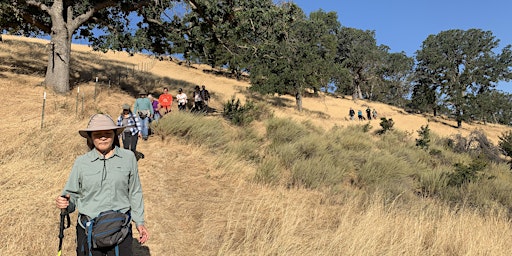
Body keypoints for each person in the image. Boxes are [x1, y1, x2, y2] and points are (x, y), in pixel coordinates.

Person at [55, 114, 149, 256]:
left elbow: (135, 191)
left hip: (120, 230)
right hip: (88, 230)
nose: (103, 137)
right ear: (91, 138)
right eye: (98, 134)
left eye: (107, 133)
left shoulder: (128, 158)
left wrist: (139, 222)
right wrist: (66, 203)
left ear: (114, 135)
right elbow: (72, 194)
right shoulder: (81, 163)